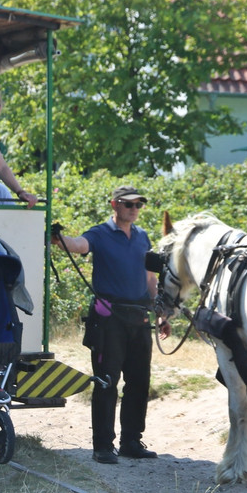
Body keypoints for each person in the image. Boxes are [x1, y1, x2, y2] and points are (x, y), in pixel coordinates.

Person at [51, 185, 171, 464]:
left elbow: (150, 278)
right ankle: (103, 445)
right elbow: (79, 244)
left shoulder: (142, 236)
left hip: (139, 316)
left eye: (138, 205)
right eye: (129, 204)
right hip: (109, 318)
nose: (134, 209)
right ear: (114, 205)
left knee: (139, 382)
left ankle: (131, 441)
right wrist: (59, 239)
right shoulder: (100, 233)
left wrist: (160, 313)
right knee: (107, 381)